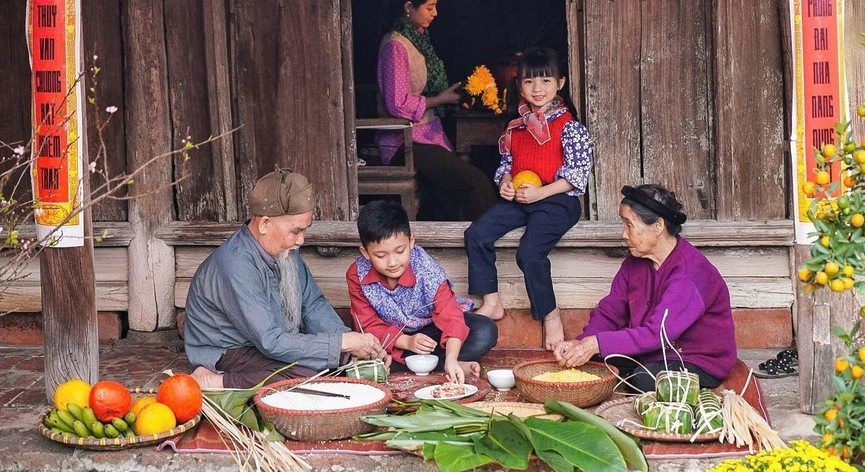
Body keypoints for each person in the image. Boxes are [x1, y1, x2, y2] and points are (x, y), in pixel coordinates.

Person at [184, 168, 388, 389]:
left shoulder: (287, 250)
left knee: (335, 365)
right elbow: (270, 341)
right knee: (310, 377)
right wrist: (342, 344)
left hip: (267, 345)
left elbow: (313, 305)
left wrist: (352, 344)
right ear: (264, 224)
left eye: (305, 230)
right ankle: (216, 381)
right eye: (296, 231)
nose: (301, 240)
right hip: (228, 351)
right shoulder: (236, 264)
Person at [465, 47, 594, 350]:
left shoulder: (570, 127)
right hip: (522, 197)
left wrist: (542, 192)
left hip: (557, 199)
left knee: (529, 253)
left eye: (545, 81)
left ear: (560, 83)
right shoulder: (516, 127)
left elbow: (577, 176)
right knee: (476, 234)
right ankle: (492, 301)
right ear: (520, 85)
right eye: (529, 82)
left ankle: (550, 315)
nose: (537, 89)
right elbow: (506, 166)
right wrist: (506, 184)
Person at [553, 184, 737, 392]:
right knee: (592, 360)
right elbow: (611, 312)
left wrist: (596, 343)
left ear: (658, 226)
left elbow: (657, 334)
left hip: (694, 360)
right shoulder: (636, 261)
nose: (623, 234)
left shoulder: (689, 273)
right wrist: (580, 344)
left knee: (642, 380)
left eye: (629, 225)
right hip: (652, 353)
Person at [375, 0, 496, 221]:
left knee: (452, 192)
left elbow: (424, 89)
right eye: (429, 7)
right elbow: (396, 103)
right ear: (409, 7)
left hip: (425, 135)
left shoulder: (418, 40)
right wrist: (440, 100)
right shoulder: (395, 45)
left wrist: (452, 97)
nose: (435, 13)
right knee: (475, 181)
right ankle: (489, 243)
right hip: (403, 142)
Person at [347, 200, 498, 383]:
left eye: (400, 251)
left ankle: (448, 362)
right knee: (371, 354)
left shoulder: (427, 271)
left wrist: (451, 357)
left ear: (411, 242)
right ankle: (442, 365)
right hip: (393, 339)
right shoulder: (357, 274)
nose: (392, 262)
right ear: (365, 252)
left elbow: (451, 317)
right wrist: (406, 341)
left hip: (431, 331)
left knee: (484, 331)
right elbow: (367, 324)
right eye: (381, 256)